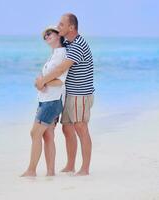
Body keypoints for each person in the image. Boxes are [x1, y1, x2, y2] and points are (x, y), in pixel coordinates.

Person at [35, 13, 94, 176]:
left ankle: (85, 168)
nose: (58, 27)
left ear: (71, 27)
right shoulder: (69, 42)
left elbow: (61, 69)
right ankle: (70, 165)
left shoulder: (77, 45)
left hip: (81, 94)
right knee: (67, 129)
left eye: (61, 24)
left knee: (81, 127)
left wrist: (43, 81)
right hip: (70, 93)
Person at [21, 25, 68, 177]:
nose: (46, 36)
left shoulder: (62, 54)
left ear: (58, 35)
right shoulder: (54, 54)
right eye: (44, 36)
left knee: (35, 133)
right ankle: (50, 173)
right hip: (45, 99)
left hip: (52, 102)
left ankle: (31, 170)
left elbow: (61, 81)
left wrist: (43, 83)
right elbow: (47, 79)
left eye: (49, 34)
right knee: (47, 136)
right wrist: (40, 83)